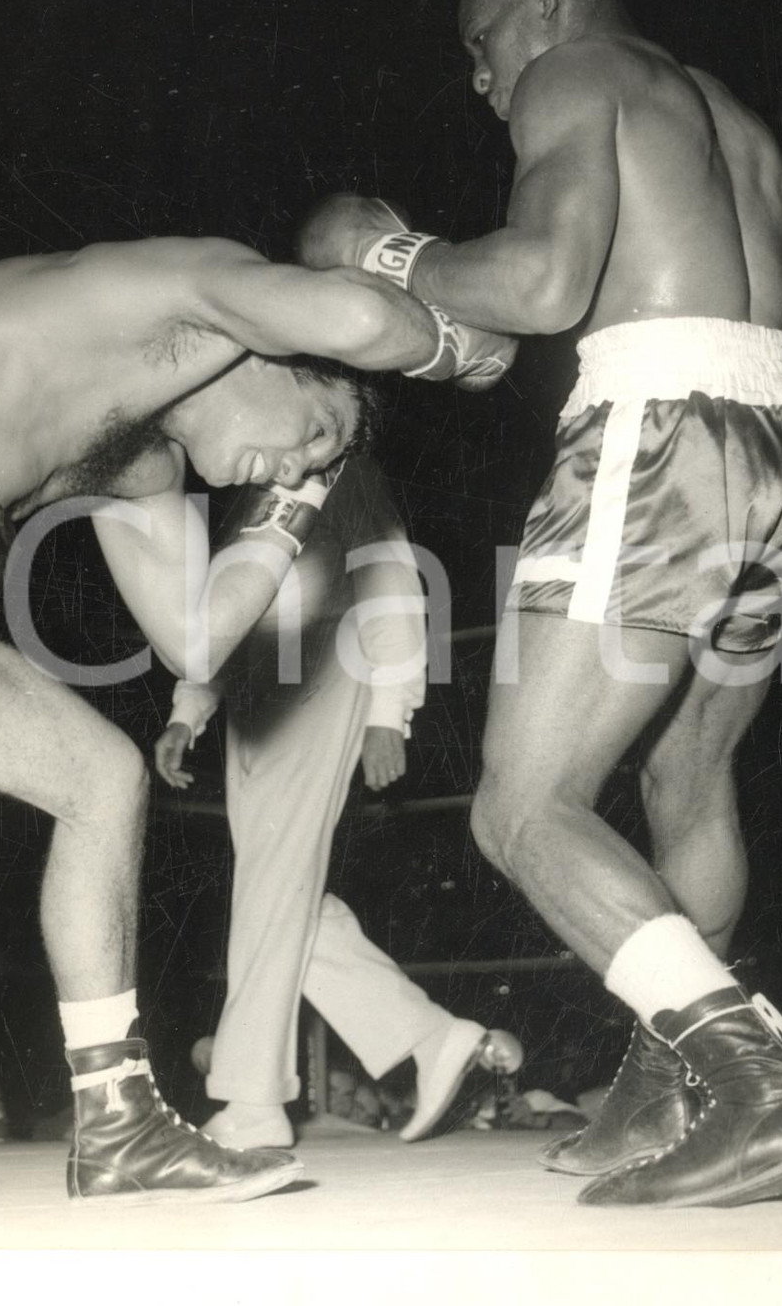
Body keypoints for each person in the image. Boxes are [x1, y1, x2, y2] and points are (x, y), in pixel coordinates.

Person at [295, 0, 782, 1207]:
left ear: (540, 4)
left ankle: (754, 1082)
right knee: (687, 770)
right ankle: (669, 1091)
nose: (483, 81)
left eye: (482, 45)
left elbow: (546, 286)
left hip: (659, 427)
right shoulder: (736, 120)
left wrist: (385, 254)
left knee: (519, 805)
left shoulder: (576, 71)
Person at [0, 232, 515, 1205]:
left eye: (315, 468)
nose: (295, 464)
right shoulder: (184, 297)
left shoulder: (141, 465)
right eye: (315, 431)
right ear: (274, 349)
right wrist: (461, 341)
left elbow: (196, 636)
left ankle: (118, 1123)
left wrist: (299, 495)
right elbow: (358, 317)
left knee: (101, 777)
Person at [155, 455, 522, 1151]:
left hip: (328, 672)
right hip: (254, 703)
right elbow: (223, 612)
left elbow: (389, 580)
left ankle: (252, 1097)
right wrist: (189, 711)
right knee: (286, 895)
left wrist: (389, 711)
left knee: (272, 886)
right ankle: (434, 1036)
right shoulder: (249, 486)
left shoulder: (339, 458)